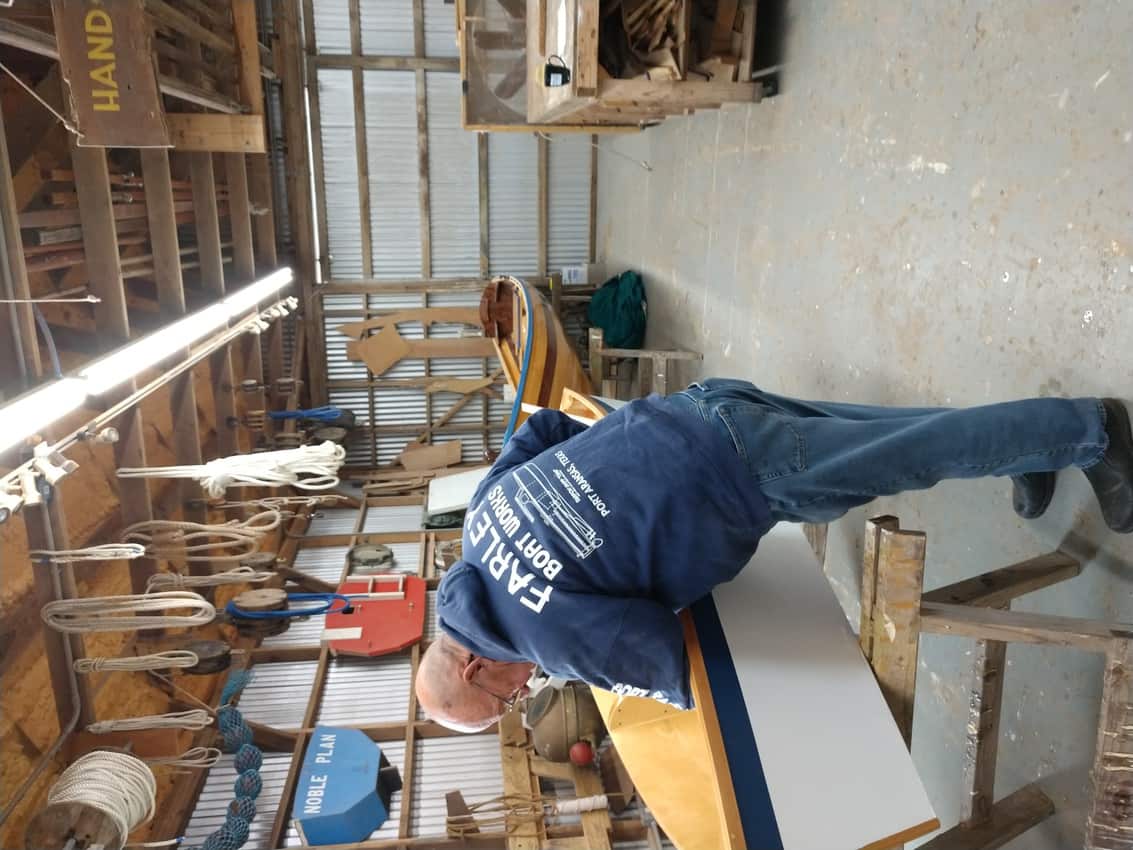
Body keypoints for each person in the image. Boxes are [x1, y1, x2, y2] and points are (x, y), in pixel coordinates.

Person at [415, 380, 1133, 732]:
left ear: (473, 664)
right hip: (691, 410)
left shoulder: (545, 637)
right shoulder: (478, 525)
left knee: (913, 455)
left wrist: (658, 693)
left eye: (505, 697)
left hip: (734, 474)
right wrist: (613, 477)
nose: (523, 690)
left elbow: (666, 657)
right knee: (898, 438)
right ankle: (1028, 448)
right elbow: (541, 428)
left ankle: (1092, 430)